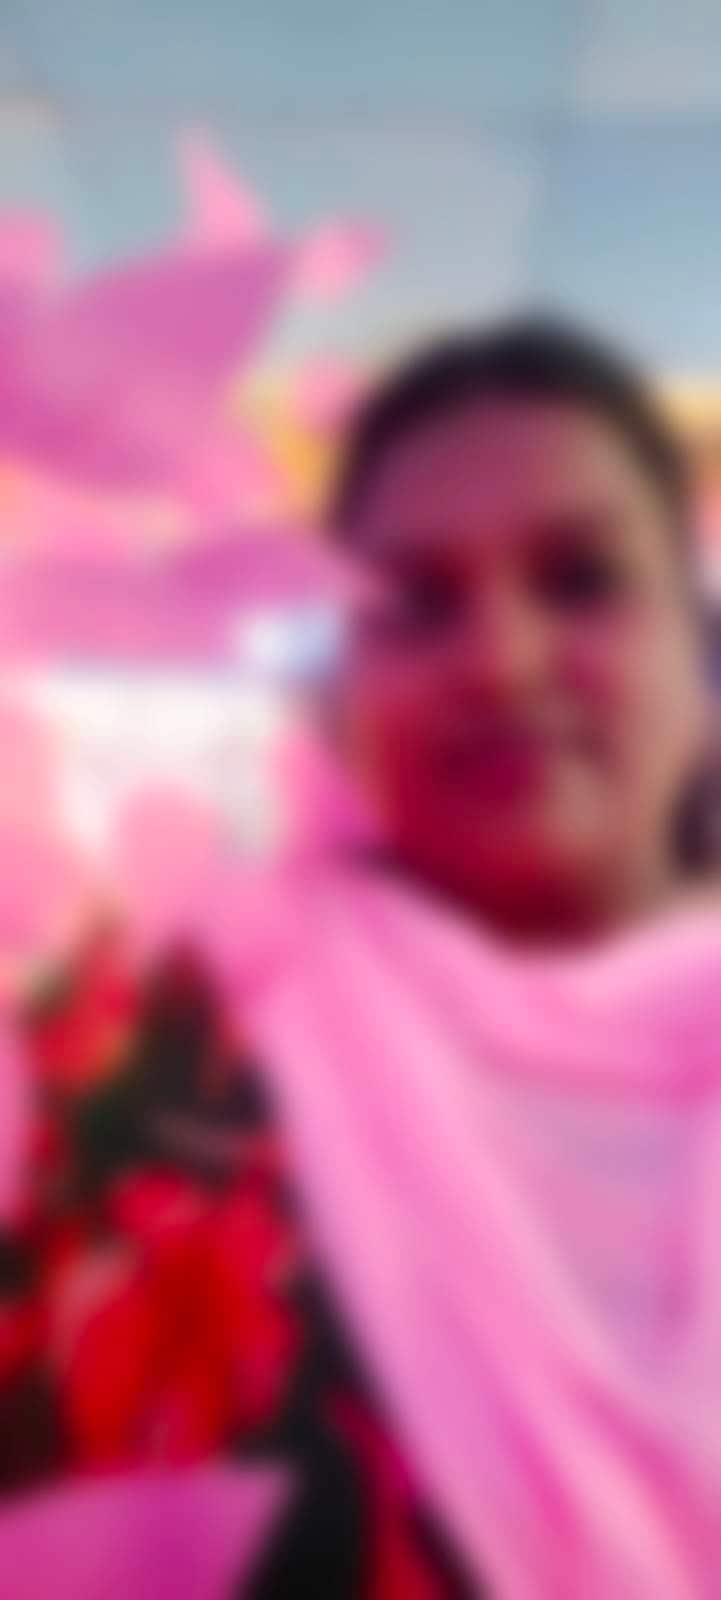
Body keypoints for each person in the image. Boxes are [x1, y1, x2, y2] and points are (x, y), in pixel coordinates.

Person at [4, 317, 721, 1599]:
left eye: (580, 581)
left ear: (701, 665)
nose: (500, 661)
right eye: (415, 604)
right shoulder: (149, 1048)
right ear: (339, 696)